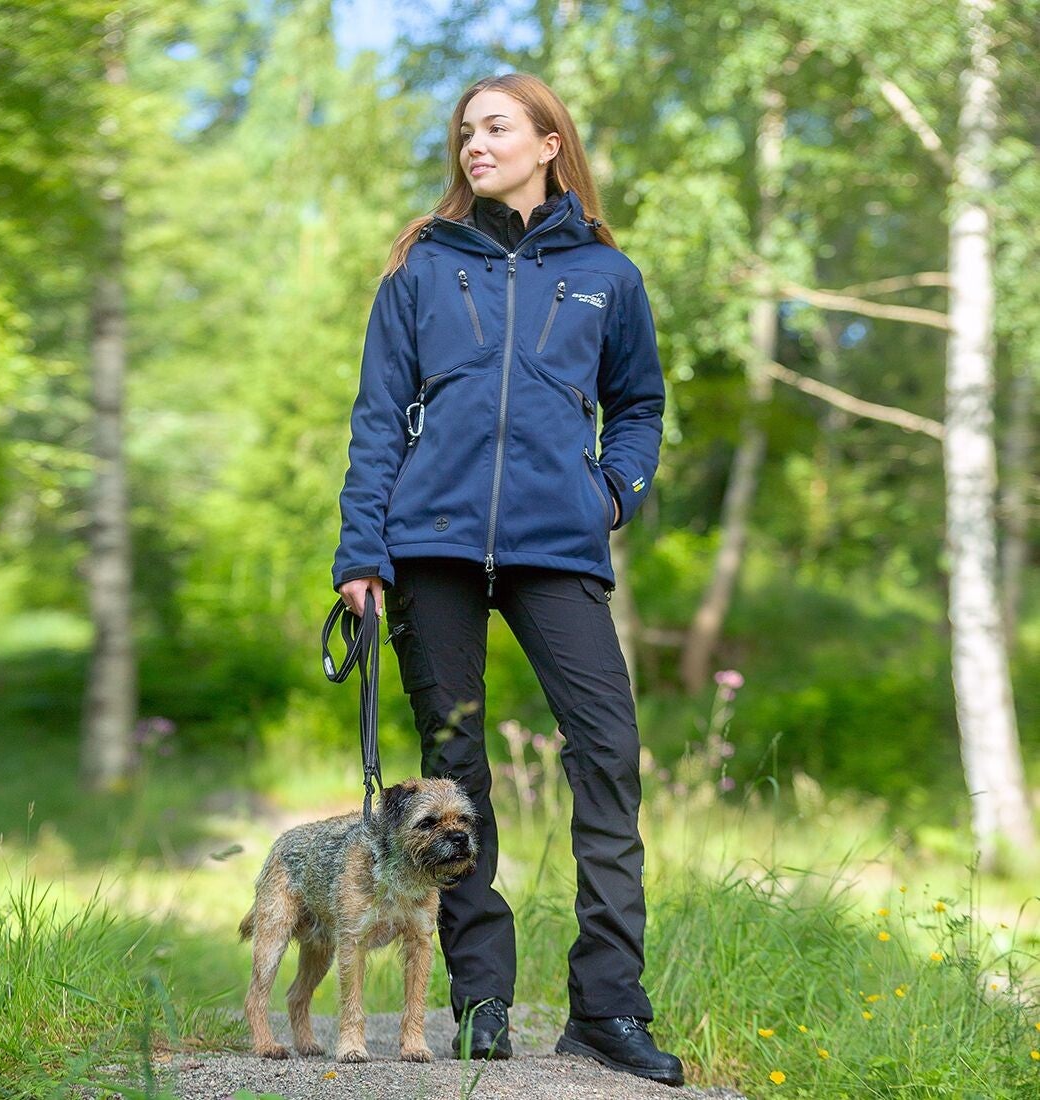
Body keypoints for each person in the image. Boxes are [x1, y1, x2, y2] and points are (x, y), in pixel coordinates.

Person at [332, 72, 683, 1087]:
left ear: (548, 143)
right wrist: (361, 551)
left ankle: (607, 1007)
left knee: (607, 752)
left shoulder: (607, 275)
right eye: (464, 132)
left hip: (557, 545)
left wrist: (611, 493)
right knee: (458, 773)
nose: (473, 145)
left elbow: (639, 404)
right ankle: (481, 1004)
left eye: (495, 127)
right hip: (430, 545)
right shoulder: (421, 267)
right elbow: (376, 413)